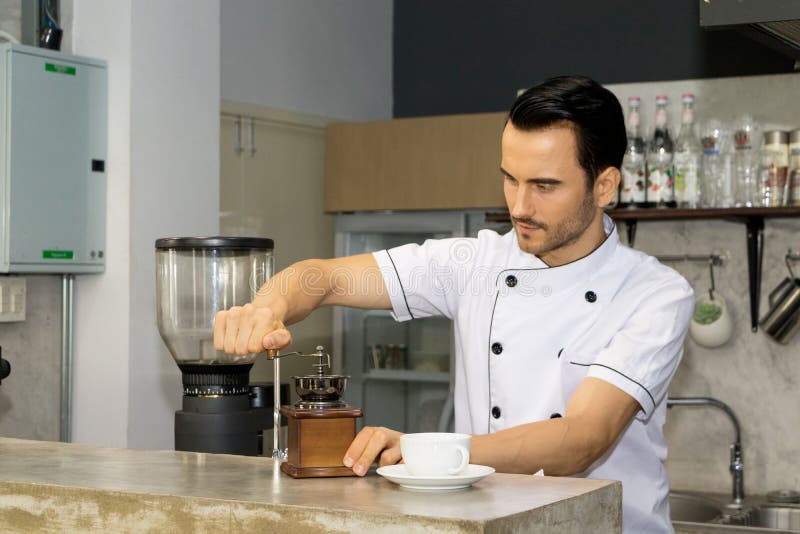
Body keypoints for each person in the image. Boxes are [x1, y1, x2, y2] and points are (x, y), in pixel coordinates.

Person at [214, 75, 694, 533]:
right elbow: (321, 279)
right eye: (510, 179)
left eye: (545, 186)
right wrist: (266, 306)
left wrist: (429, 452)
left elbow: (582, 439)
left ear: (605, 186)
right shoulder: (472, 262)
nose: (520, 206)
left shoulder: (653, 294)